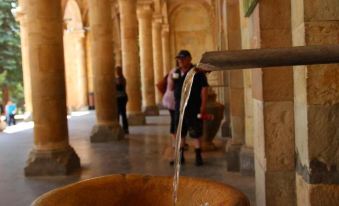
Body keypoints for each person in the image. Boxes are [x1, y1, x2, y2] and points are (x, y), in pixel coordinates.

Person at [171, 50, 209, 166]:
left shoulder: (197, 72)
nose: (180, 61)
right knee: (180, 133)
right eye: (179, 59)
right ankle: (180, 157)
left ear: (189, 59)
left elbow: (204, 89)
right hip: (179, 108)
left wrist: (203, 105)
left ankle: (198, 156)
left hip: (193, 107)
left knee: (196, 132)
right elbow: (174, 87)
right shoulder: (176, 72)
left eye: (182, 58)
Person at [115, 66, 129, 134]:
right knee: (119, 114)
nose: (117, 72)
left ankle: (125, 128)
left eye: (117, 70)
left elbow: (120, 88)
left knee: (122, 113)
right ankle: (120, 128)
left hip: (121, 98)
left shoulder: (121, 79)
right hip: (119, 98)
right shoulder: (119, 79)